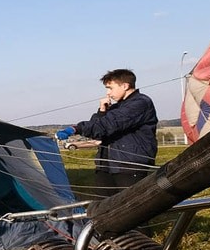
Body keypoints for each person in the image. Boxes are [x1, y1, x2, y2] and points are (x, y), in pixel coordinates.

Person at [55, 68, 158, 197]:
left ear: (125, 86)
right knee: (102, 205)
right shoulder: (116, 107)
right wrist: (102, 111)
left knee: (129, 205)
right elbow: (98, 132)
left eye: (110, 88)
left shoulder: (140, 103)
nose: (108, 93)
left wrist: (76, 129)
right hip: (107, 164)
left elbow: (109, 124)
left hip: (129, 165)